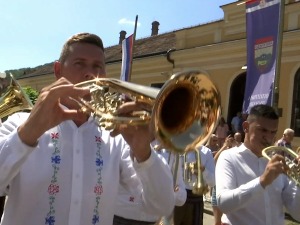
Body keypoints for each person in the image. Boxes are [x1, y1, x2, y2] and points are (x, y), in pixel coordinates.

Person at [0, 33, 175, 225]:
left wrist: (144, 153)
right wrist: (28, 133)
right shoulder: (19, 123)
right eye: (79, 63)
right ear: (58, 70)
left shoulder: (116, 137)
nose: (90, 74)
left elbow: (160, 207)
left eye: (97, 66)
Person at [216, 104, 300, 225]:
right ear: (246, 127)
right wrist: (262, 181)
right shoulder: (229, 157)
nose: (269, 137)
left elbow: (297, 213)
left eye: (273, 132)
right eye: (263, 130)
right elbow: (223, 203)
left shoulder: (279, 162)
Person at [113, 140, 187, 225]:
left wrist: (168, 193)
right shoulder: (122, 142)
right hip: (120, 218)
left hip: (153, 221)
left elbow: (182, 198)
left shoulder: (172, 152)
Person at [174, 145, 215, 225]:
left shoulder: (206, 152)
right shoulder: (177, 148)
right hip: (177, 196)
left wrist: (203, 171)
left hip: (196, 198)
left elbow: (212, 182)